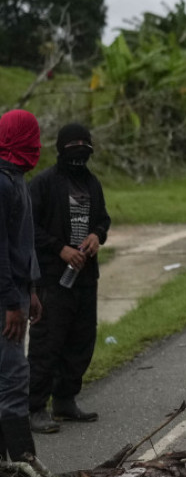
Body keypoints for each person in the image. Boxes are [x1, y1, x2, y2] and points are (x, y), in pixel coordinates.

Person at [28, 123, 111, 433]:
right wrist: (59, 249)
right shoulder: (43, 184)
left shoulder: (92, 183)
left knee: (81, 341)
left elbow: (103, 219)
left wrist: (97, 235)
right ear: (61, 149)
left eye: (84, 145)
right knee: (47, 342)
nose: (79, 151)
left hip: (85, 278)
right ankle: (34, 407)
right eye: (73, 145)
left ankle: (65, 400)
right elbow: (29, 228)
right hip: (52, 278)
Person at [0, 110, 43, 461]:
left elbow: (23, 243)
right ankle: (25, 466)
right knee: (14, 378)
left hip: (18, 292)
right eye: (32, 136)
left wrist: (32, 289)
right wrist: (12, 303)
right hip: (6, 299)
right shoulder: (2, 184)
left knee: (9, 376)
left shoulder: (17, 179)